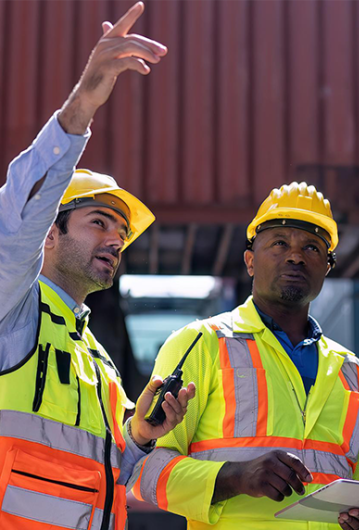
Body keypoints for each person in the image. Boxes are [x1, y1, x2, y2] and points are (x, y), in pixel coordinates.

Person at [0, 3, 195, 530]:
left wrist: (137, 438)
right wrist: (83, 103)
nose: (116, 239)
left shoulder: (99, 362)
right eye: (99, 222)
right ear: (50, 233)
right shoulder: (13, 313)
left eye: (122, 232)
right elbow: (16, 215)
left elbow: (104, 477)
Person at [129, 182, 359, 530]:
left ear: (327, 267)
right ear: (250, 261)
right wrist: (235, 477)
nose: (296, 256)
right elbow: (143, 469)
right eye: (280, 243)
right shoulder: (200, 345)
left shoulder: (357, 375)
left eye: (312, 247)